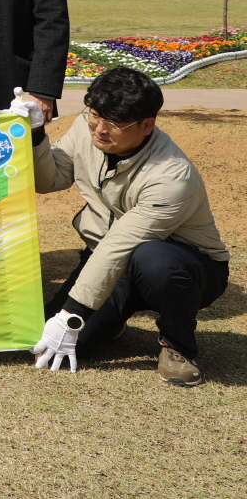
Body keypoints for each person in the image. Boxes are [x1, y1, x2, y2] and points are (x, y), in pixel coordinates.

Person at [32, 67, 230, 386]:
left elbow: (120, 245)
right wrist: (35, 134)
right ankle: (112, 321)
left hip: (186, 265)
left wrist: (71, 315)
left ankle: (178, 346)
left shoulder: (172, 177)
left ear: (147, 125)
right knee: (50, 341)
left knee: (154, 260)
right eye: (95, 115)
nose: (100, 130)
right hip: (116, 261)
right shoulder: (86, 128)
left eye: (114, 123)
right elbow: (49, 179)